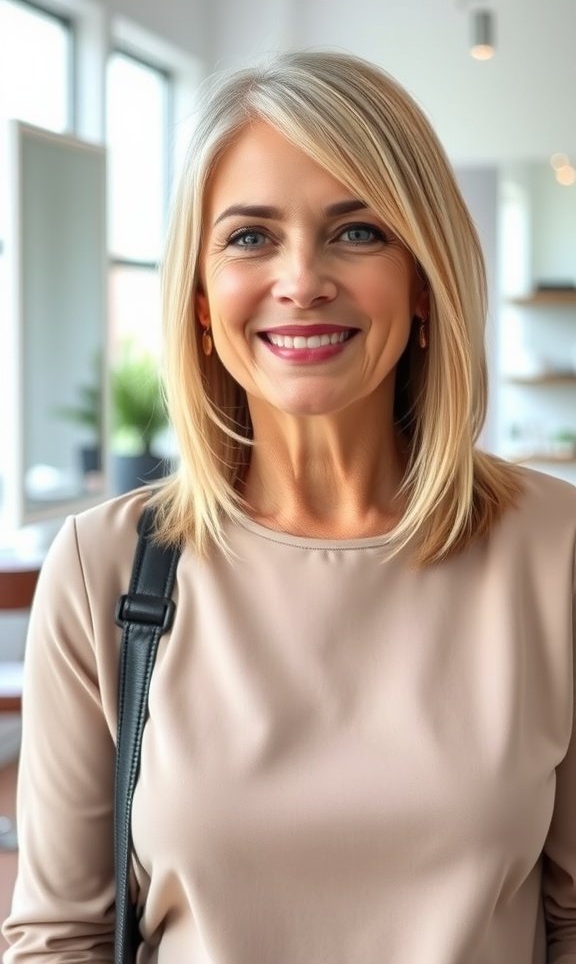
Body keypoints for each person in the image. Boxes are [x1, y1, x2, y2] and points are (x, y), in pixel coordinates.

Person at [3, 49, 576, 964]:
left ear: (424, 282)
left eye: (358, 233)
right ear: (198, 299)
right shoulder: (103, 567)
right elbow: (60, 938)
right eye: (249, 236)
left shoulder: (557, 551)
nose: (302, 278)